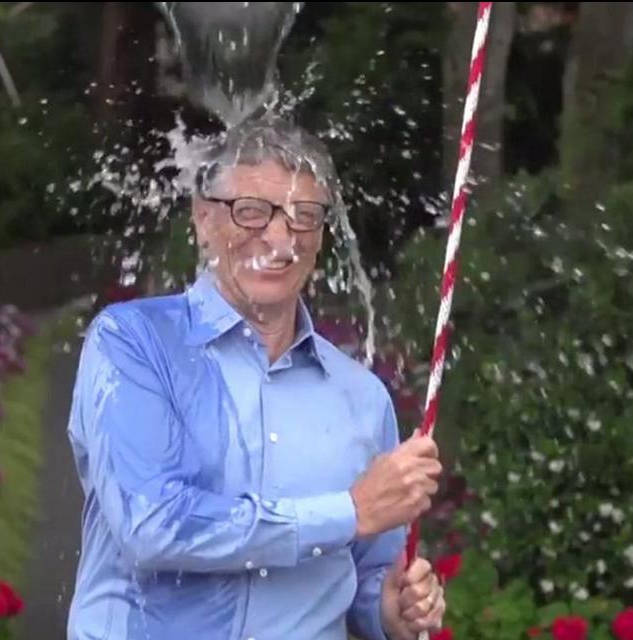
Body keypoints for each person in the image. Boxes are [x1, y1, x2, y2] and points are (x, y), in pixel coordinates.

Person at [66, 116, 446, 640]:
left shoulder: (363, 397)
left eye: (303, 216)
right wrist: (347, 511)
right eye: (250, 212)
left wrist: (389, 611)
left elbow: (361, 577)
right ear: (203, 220)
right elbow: (151, 525)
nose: (278, 236)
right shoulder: (133, 344)